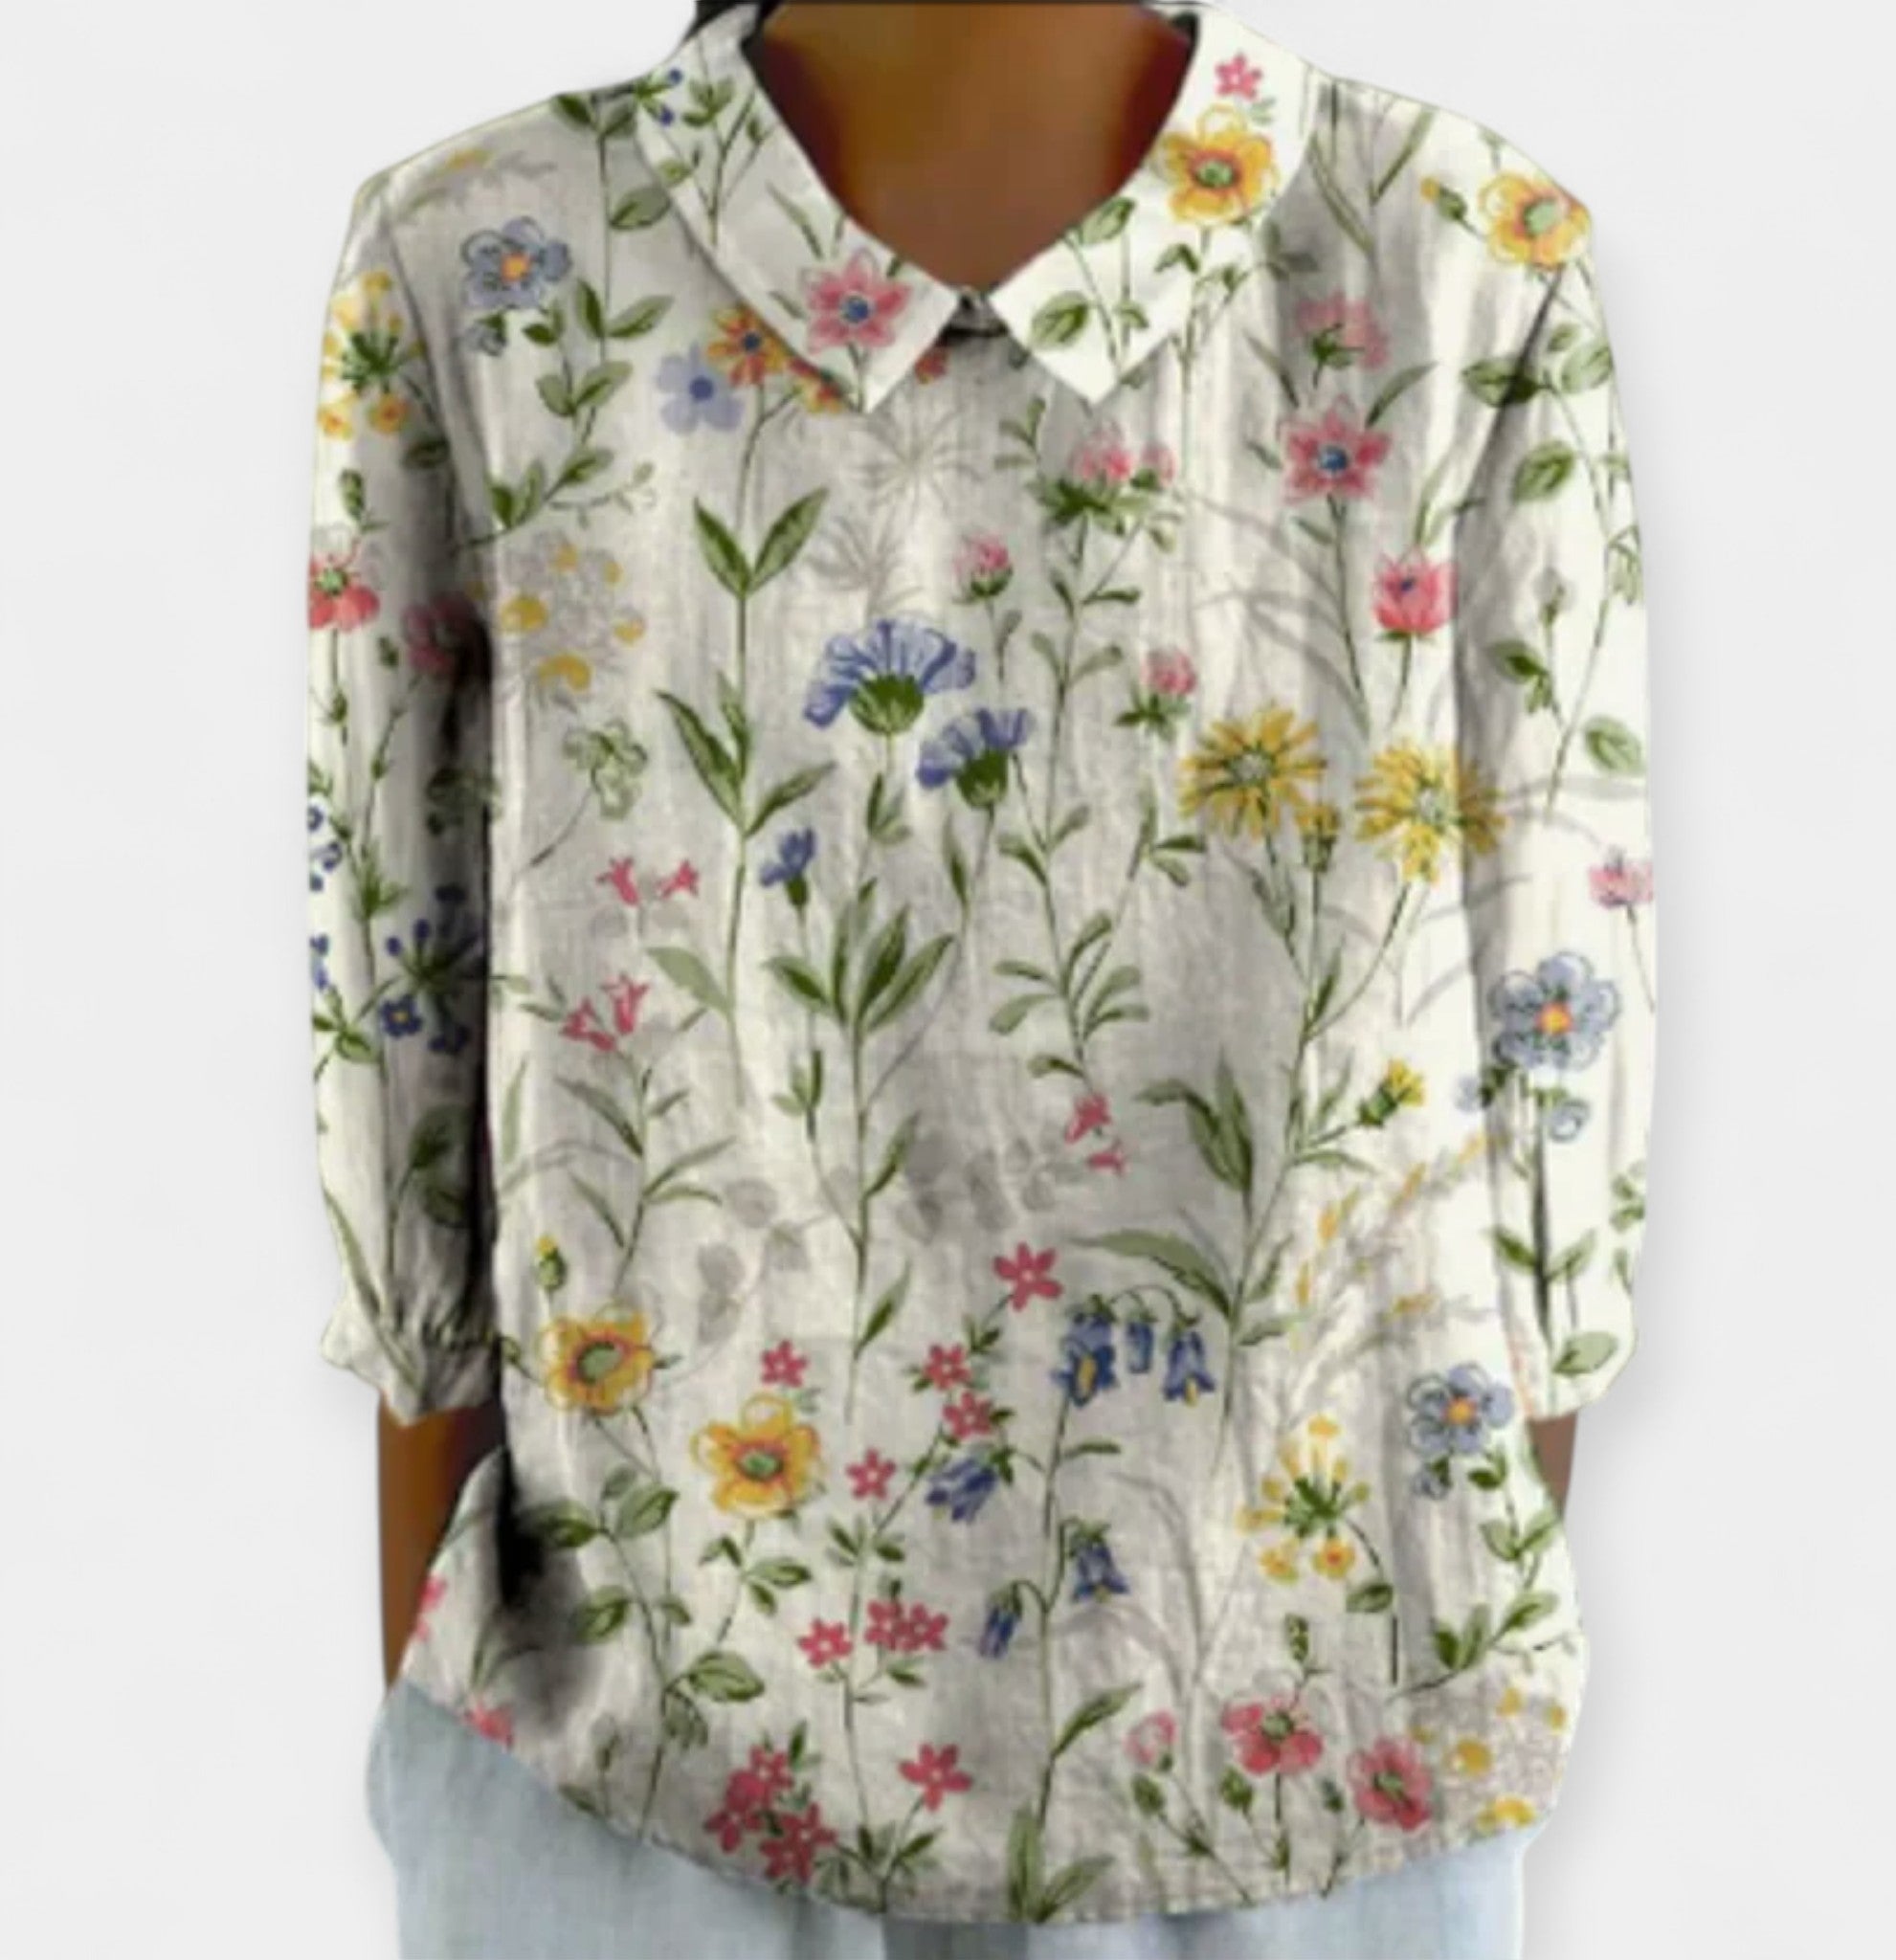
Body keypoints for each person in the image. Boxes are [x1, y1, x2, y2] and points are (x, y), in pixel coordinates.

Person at [304, 3, 1655, 1954]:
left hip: (1311, 1778)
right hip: (635, 1769)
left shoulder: (1466, 260)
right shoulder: (480, 267)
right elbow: (402, 1022)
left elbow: (1556, 1076)